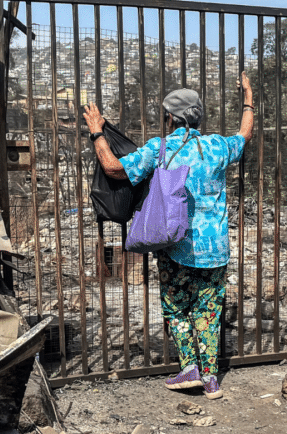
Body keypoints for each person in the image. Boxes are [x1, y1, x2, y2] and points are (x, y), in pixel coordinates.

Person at [83, 73, 254, 400]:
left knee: (176, 307)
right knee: (209, 311)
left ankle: (188, 368)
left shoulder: (160, 149)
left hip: (174, 246)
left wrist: (96, 131)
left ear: (170, 118)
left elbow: (113, 168)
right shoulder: (218, 146)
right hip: (215, 249)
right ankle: (211, 380)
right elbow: (244, 134)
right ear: (199, 117)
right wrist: (248, 98)